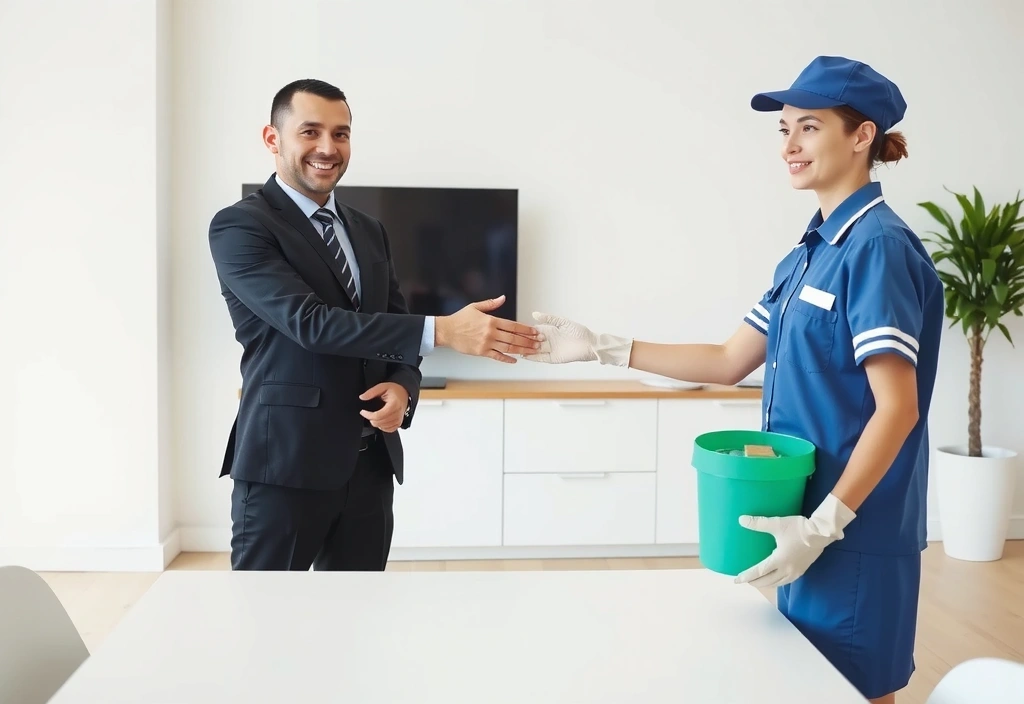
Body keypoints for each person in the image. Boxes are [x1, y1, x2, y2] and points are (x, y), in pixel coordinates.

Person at [523, 56, 943, 704]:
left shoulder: (877, 248)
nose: (790, 146)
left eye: (808, 127)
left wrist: (826, 524)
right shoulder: (808, 253)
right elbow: (726, 359)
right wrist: (602, 347)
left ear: (862, 136)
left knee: (856, 693)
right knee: (809, 687)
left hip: (855, 530)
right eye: (783, 131)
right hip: (802, 519)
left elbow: (898, 408)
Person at [208, 78, 541, 572]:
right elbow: (310, 324)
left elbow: (396, 321)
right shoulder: (241, 226)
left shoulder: (367, 229)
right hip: (286, 467)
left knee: (357, 623)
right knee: (269, 624)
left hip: (368, 467)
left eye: (341, 134)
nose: (328, 148)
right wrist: (444, 331)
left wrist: (405, 386)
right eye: (311, 132)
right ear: (272, 138)